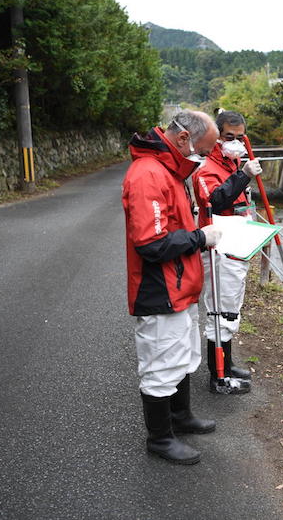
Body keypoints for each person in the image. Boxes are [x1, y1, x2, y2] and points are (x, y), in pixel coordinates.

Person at [122, 110, 222, 465]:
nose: (206, 157)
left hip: (179, 285)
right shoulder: (149, 174)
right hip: (160, 289)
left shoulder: (170, 169)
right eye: (205, 149)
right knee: (160, 365)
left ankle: (180, 417)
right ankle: (160, 439)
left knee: (182, 356)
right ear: (183, 139)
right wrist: (199, 238)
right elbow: (149, 244)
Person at [192, 110, 262, 395]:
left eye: (239, 137)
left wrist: (241, 172)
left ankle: (228, 364)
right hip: (218, 247)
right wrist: (243, 176)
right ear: (217, 137)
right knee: (220, 312)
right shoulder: (206, 166)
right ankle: (217, 375)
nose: (234, 142)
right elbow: (216, 200)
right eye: (228, 137)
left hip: (237, 244)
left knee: (231, 309)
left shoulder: (232, 161)